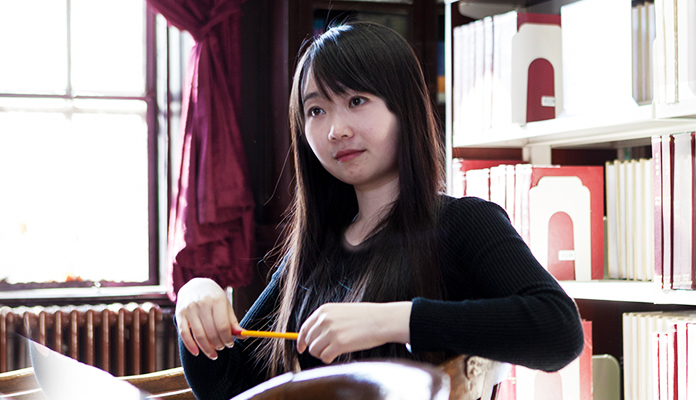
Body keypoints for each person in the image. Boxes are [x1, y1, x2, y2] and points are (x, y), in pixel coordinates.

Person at [175, 21, 584, 399]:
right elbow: (228, 387)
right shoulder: (317, 249)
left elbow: (559, 331)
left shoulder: (464, 223)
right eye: (316, 110)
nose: (336, 130)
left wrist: (391, 321)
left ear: (403, 109)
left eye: (356, 100)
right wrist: (196, 300)